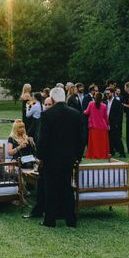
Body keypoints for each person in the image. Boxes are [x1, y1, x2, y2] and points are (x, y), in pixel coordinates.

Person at [36, 86, 83, 228]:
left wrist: (40, 156)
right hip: (69, 158)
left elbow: (42, 139)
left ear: (53, 98)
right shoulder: (75, 114)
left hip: (51, 158)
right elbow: (81, 138)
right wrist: (78, 156)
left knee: (50, 188)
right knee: (67, 187)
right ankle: (70, 219)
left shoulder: (47, 115)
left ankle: (50, 220)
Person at [22, 91, 57, 220]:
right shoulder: (41, 118)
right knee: (41, 185)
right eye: (46, 104)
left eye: (50, 104)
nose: (47, 106)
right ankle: (38, 210)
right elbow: (34, 133)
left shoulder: (54, 120)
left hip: (51, 159)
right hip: (41, 157)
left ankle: (49, 212)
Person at [84, 92, 110, 159]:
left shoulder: (91, 103)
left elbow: (86, 112)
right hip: (103, 127)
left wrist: (83, 111)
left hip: (93, 127)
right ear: (102, 98)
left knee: (94, 143)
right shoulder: (104, 106)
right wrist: (108, 125)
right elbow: (106, 117)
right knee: (102, 143)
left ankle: (94, 155)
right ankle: (102, 155)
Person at [105, 88, 126, 158]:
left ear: (112, 93)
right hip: (107, 123)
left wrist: (117, 124)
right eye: (106, 94)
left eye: (108, 93)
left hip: (115, 123)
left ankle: (122, 153)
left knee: (117, 138)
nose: (107, 95)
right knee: (109, 138)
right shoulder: (105, 102)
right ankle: (111, 152)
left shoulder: (117, 102)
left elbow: (120, 114)